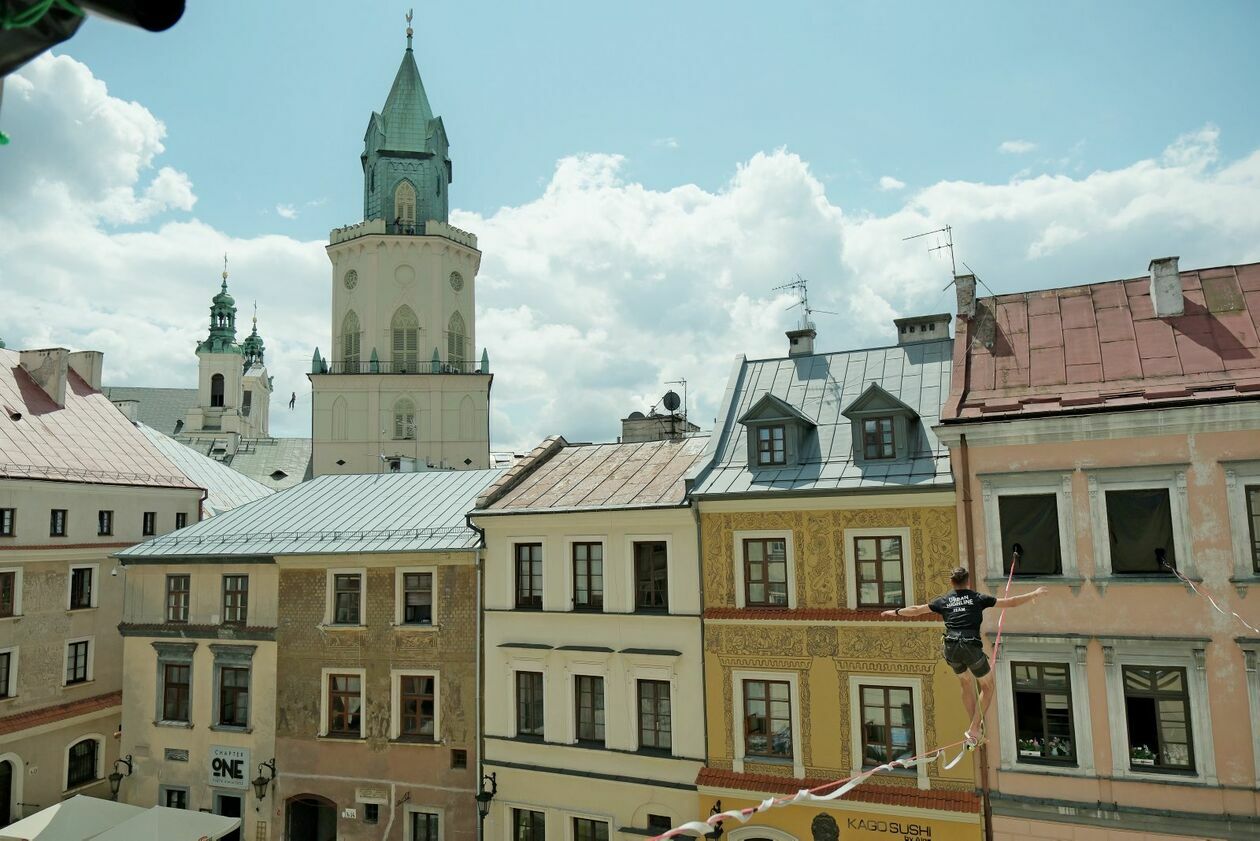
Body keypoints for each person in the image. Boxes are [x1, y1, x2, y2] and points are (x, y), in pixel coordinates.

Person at [882, 566, 1047, 745]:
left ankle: (974, 727)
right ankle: (975, 728)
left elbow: (916, 610)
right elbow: (1011, 602)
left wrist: (896, 612)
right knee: (987, 686)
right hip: (969, 647)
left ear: (952, 583)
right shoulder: (977, 598)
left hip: (951, 647)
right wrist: (1033, 594)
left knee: (966, 682)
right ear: (968, 582)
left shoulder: (944, 600)